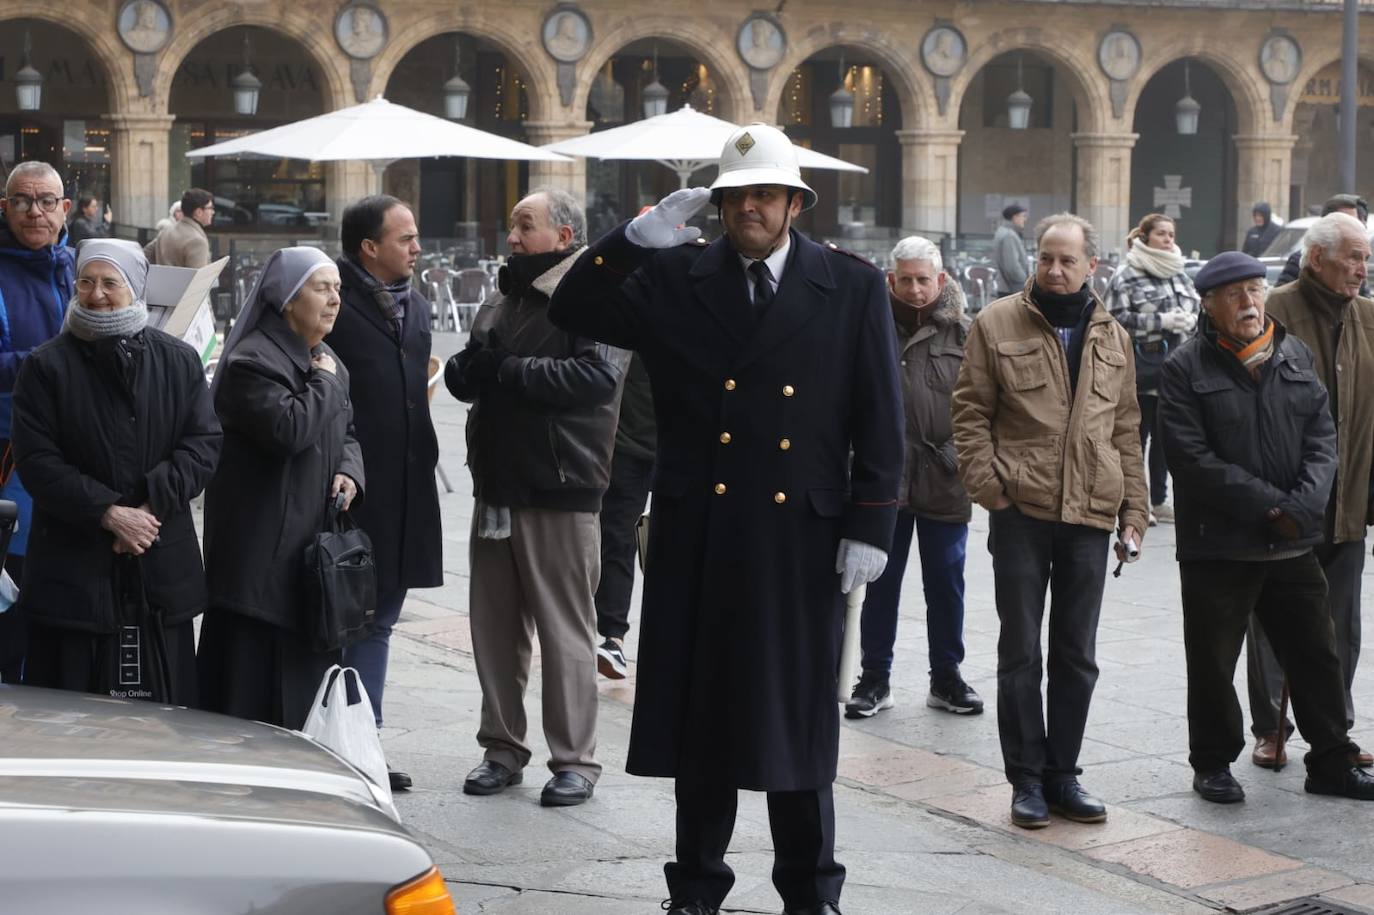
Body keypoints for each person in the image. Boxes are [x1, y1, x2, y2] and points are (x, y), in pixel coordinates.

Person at [549, 122, 904, 915]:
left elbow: (880, 417)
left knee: (798, 726)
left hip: (800, 540)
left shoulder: (849, 286)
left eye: (767, 195)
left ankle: (812, 893)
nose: (752, 208)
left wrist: (870, 524)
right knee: (703, 721)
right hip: (701, 531)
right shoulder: (674, 276)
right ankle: (696, 890)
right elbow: (573, 301)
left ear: (795, 203)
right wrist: (635, 240)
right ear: (720, 204)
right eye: (738, 195)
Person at [952, 212, 1149, 831]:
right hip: (1023, 516)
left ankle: (1064, 775)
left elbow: (1125, 429)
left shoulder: (1113, 336)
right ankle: (1027, 780)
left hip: (1090, 516)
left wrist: (1134, 514)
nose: (1055, 270)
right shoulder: (996, 321)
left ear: (1093, 265)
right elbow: (969, 415)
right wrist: (992, 490)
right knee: (1020, 653)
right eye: (1046, 258)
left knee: (1077, 655)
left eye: (1067, 260)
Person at [1158, 251, 1374, 804]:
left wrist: (1303, 506)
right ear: (1208, 303)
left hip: (1291, 546)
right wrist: (1271, 508)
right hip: (1220, 548)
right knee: (1212, 661)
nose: (1249, 302)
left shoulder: (1292, 353)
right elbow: (1190, 458)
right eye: (1234, 294)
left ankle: (1331, 760)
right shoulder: (1186, 367)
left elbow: (1322, 439)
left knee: (1316, 655)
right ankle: (1212, 762)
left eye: (1254, 289)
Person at [445, 187, 627, 809]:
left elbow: (599, 379)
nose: (513, 236)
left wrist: (509, 372)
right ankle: (501, 748)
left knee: (566, 631)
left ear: (565, 237)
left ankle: (575, 761)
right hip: (496, 482)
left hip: (561, 484)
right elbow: (475, 363)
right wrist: (465, 371)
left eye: (526, 225)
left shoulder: (593, 297)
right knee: (495, 629)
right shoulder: (503, 293)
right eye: (513, 225)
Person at [10, 239, 220, 702]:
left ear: (137, 287)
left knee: (162, 720)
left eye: (111, 282)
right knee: (69, 716)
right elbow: (37, 461)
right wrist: (108, 512)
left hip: (158, 560)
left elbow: (203, 444)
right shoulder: (47, 366)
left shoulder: (177, 360)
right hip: (73, 569)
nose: (96, 293)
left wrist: (148, 505)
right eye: (86, 281)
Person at [197, 247, 364, 730]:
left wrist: (350, 473)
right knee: (251, 694)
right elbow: (290, 429)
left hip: (311, 554)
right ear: (288, 299)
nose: (334, 299)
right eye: (322, 288)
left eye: (337, 289)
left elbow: (348, 432)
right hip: (259, 560)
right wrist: (324, 384)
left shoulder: (326, 359)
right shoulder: (252, 361)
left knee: (304, 689)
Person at [1246, 212, 1374, 770]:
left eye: (1366, 258)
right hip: (1288, 501)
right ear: (1317, 258)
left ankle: (1334, 730)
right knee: (1274, 617)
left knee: (1340, 624)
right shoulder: (1274, 311)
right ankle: (1270, 728)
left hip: (1349, 500)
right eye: (1353, 256)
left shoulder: (1370, 317)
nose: (1362, 268)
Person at [327, 194, 442, 792]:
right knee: (343, 617)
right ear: (369, 248)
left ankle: (362, 743)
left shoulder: (417, 306)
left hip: (406, 487)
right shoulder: (331, 302)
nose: (417, 248)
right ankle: (338, 746)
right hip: (350, 490)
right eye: (405, 238)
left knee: (381, 621)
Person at [846, 235, 981, 720]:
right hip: (886, 481)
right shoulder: (870, 325)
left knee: (946, 582)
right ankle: (874, 678)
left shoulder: (966, 333)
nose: (916, 289)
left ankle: (947, 676)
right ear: (891, 280)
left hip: (946, 476)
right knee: (879, 581)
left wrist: (957, 453)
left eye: (924, 280)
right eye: (906, 280)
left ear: (941, 280)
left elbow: (982, 406)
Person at [0, 161, 76, 683]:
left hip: (77, 452)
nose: (36, 212)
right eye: (23, 201)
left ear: (64, 209)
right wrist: (55, 360)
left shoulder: (78, 266)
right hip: (11, 456)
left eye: (46, 201)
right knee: (15, 587)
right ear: (4, 209)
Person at [1104, 213, 1201, 525]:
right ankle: (1134, 502)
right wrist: (1162, 322)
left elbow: (1198, 308)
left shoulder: (1180, 273)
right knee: (1135, 438)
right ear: (1145, 237)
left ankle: (1160, 500)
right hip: (1140, 368)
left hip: (1177, 369)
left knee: (1165, 438)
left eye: (1171, 234)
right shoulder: (1126, 274)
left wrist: (1191, 320)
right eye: (1162, 234)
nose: (1169, 240)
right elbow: (1113, 319)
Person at [594, 351, 655, 679]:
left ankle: (660, 641)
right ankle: (613, 638)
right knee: (618, 539)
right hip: (627, 447)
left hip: (678, 452)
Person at [1277, 194, 1368, 291]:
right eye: (1347, 221)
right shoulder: (1300, 261)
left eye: (1356, 222)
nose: (1362, 273)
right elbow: (1284, 296)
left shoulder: (1358, 269)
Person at [145, 188, 213, 268]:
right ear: (199, 212)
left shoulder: (166, 231)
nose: (212, 212)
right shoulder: (197, 241)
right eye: (210, 208)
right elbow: (199, 279)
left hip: (162, 280)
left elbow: (145, 255)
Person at [993, 204, 1030, 296]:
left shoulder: (1002, 231)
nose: (1025, 219)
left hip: (1006, 287)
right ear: (1015, 217)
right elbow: (1012, 267)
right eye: (1023, 216)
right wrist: (1025, 282)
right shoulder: (1009, 235)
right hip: (1012, 289)